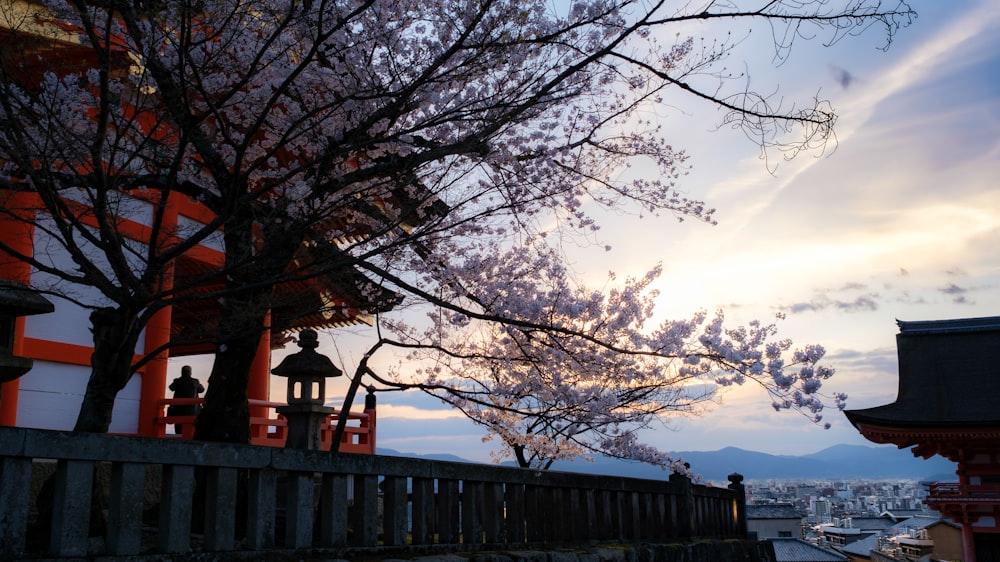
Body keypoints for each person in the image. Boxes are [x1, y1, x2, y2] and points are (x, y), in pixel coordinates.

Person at [167, 365, 205, 436]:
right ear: (190, 373)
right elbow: (201, 390)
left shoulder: (177, 381)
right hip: (192, 411)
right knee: (191, 431)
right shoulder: (195, 381)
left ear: (181, 372)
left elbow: (171, 388)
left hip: (178, 411)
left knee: (178, 431)